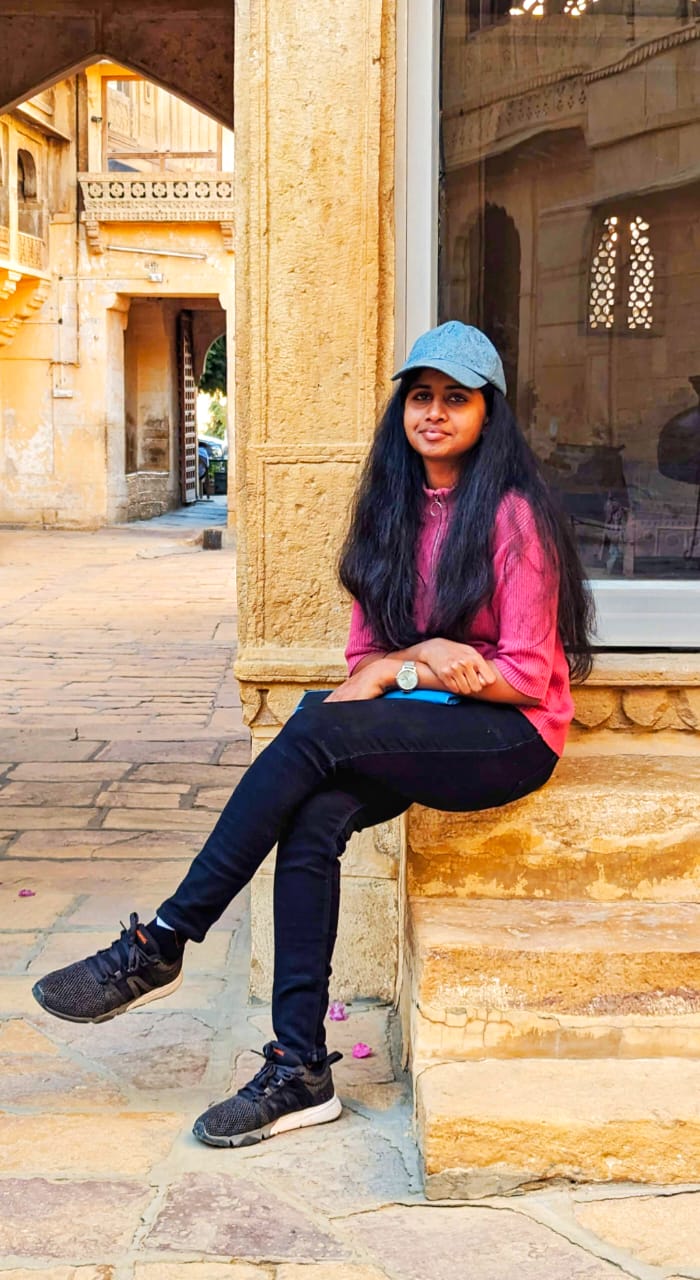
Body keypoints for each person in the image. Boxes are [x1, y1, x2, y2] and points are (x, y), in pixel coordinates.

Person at [32, 321, 594, 1149]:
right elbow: (365, 663)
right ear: (403, 410)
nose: (435, 413)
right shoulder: (388, 513)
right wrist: (417, 660)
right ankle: (300, 1068)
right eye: (421, 396)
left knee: (314, 730)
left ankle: (164, 941)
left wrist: (412, 669)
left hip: (511, 738)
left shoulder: (514, 517)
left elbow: (527, 677)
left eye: (457, 399)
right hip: (429, 721)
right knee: (315, 814)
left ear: (488, 416)